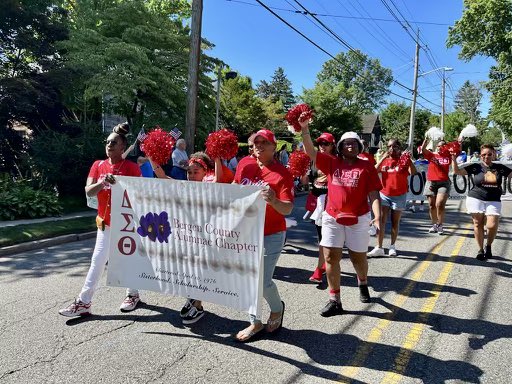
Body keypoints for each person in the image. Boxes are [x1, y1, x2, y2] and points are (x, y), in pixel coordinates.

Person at [59, 123, 143, 317]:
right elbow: (89, 190)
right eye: (107, 142)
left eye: (114, 142)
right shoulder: (98, 165)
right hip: (104, 224)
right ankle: (84, 302)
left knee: (127, 260)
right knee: (97, 261)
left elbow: (139, 195)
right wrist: (103, 181)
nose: (109, 145)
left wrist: (122, 185)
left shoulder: (131, 167)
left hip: (126, 224)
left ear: (123, 146)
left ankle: (133, 294)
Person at [300, 119, 382, 317]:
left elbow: (374, 194)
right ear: (340, 147)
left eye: (354, 142)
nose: (350, 145)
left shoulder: (367, 166)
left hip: (359, 219)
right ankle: (334, 300)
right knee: (330, 257)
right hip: (332, 217)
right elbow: (311, 152)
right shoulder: (331, 162)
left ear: (359, 146)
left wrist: (377, 216)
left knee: (358, 258)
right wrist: (304, 129)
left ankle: (362, 282)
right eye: (346, 143)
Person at [150, 151, 233, 324]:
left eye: (196, 172)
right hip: (187, 237)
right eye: (189, 172)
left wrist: (217, 158)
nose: (192, 175)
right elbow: (161, 176)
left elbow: (219, 179)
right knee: (189, 270)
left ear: (204, 173)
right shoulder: (183, 186)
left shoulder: (210, 187)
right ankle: (194, 300)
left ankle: (197, 304)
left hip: (207, 238)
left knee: (200, 270)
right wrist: (151, 156)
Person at [233, 129, 294, 342]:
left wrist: (275, 200)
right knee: (249, 279)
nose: (258, 145)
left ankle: (277, 309)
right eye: (256, 142)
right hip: (246, 233)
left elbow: (287, 209)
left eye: (264, 142)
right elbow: (235, 188)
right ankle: (255, 322)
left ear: (274, 147)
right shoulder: (244, 165)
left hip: (272, 234)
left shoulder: (282, 173)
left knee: (262, 281)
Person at [452, 144, 512, 260]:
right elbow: (457, 171)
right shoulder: (476, 167)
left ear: (494, 154)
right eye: (484, 154)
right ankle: (480, 250)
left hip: (493, 199)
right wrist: (454, 159)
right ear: (480, 156)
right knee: (478, 223)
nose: (486, 157)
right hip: (476, 197)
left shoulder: (500, 168)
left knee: (492, 225)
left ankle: (488, 245)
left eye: (489, 154)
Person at [368, 138, 416, 257]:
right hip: (384, 194)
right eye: (389, 146)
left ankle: (392, 246)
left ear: (399, 147)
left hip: (399, 195)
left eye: (394, 146)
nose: (391, 149)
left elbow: (413, 172)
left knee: (395, 222)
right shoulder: (385, 160)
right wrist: (383, 157)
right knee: (381, 221)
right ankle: (379, 247)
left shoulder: (403, 160)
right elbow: (373, 171)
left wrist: (409, 160)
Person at [307, 132, 336, 283]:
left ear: (333, 146)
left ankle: (321, 268)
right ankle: (323, 265)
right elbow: (311, 181)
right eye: (320, 143)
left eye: (326, 143)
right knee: (322, 238)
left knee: (326, 239)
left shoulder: (335, 161)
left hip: (332, 204)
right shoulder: (314, 161)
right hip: (318, 203)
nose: (322, 146)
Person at [421, 138, 452, 235]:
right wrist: (426, 140)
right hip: (431, 182)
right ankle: (434, 224)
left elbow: (457, 150)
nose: (440, 148)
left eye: (442, 146)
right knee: (431, 205)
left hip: (444, 182)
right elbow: (423, 150)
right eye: (438, 146)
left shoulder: (449, 155)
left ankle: (440, 224)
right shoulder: (432, 155)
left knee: (440, 204)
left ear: (446, 147)